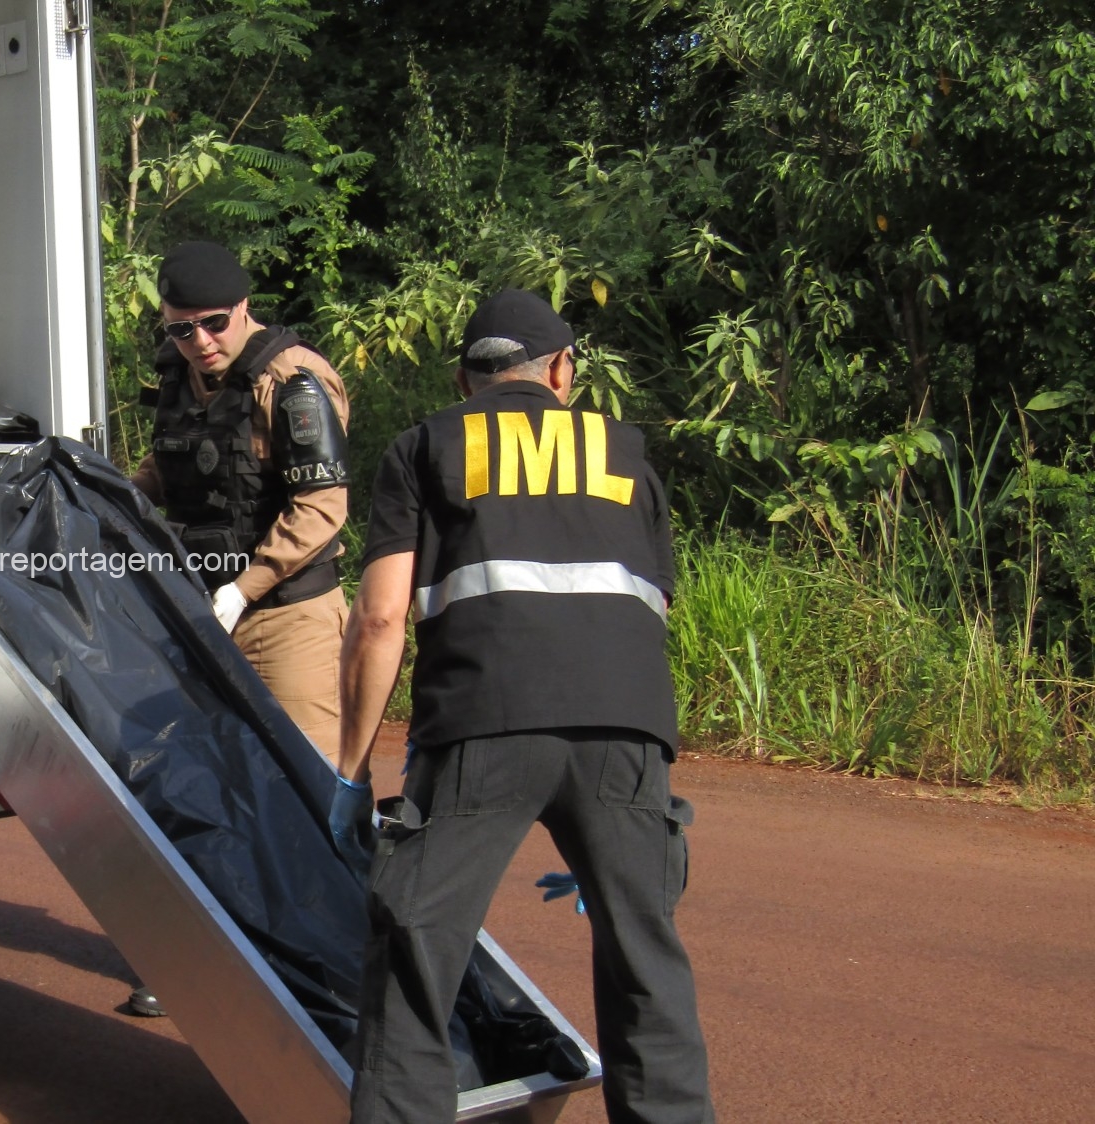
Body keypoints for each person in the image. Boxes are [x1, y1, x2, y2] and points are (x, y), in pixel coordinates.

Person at [333, 289, 714, 1122]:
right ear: (563, 371)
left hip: (482, 723)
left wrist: (351, 773)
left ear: (465, 380)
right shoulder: (626, 453)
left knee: (416, 954)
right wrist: (612, 824)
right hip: (624, 732)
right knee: (645, 964)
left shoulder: (426, 445)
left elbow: (380, 618)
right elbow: (650, 608)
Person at [123, 240, 352, 1019]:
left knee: (307, 792)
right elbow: (163, 471)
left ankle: (328, 967)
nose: (200, 341)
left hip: (286, 618)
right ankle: (203, 957)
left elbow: (321, 508)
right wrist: (117, 499)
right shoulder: (176, 377)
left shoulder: (293, 380)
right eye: (181, 328)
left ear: (244, 309)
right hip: (199, 614)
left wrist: (246, 588)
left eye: (214, 323)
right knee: (200, 787)